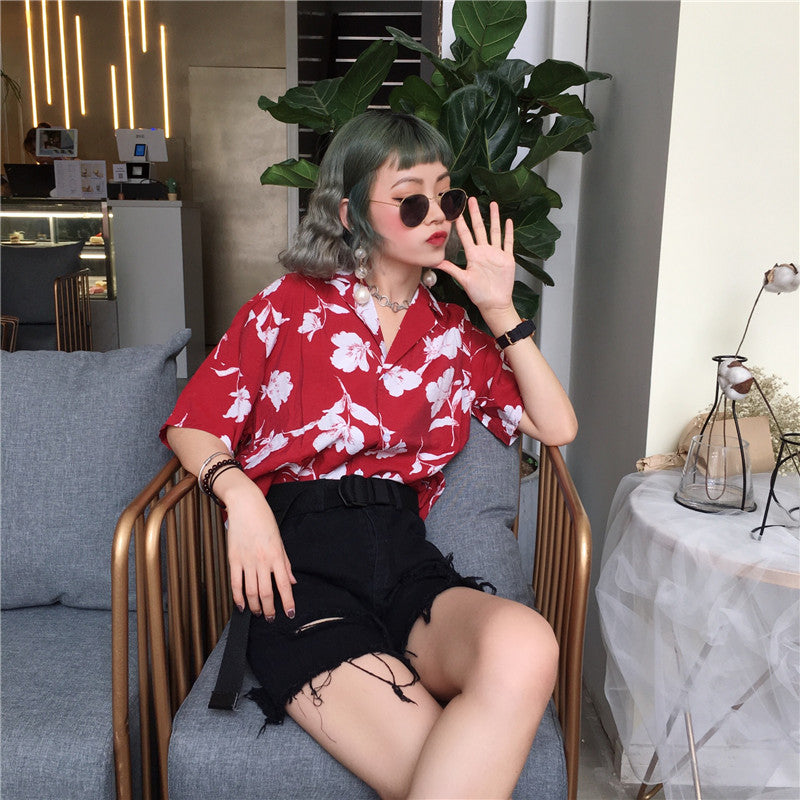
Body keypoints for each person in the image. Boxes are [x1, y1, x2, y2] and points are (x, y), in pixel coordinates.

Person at [161, 110, 577, 800]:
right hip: (302, 572)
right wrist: (240, 496)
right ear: (349, 213)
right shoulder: (287, 308)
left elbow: (555, 426)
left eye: (445, 196)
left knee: (528, 643)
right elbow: (192, 423)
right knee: (446, 775)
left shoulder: (455, 335)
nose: (436, 215)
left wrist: (500, 310)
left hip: (406, 565)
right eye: (410, 200)